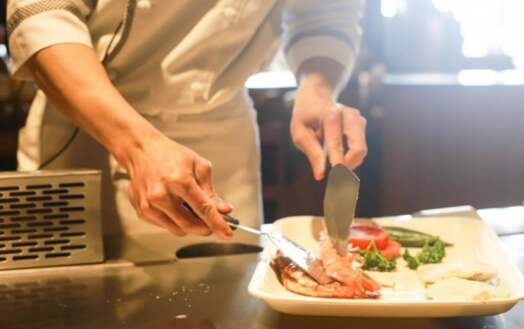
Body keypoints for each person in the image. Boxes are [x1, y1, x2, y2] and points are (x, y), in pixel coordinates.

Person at [6, 0, 368, 238]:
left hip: (222, 143)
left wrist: (318, 88)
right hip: (90, 127)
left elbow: (326, 14)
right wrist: (137, 146)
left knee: (228, 319)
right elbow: (44, 16)